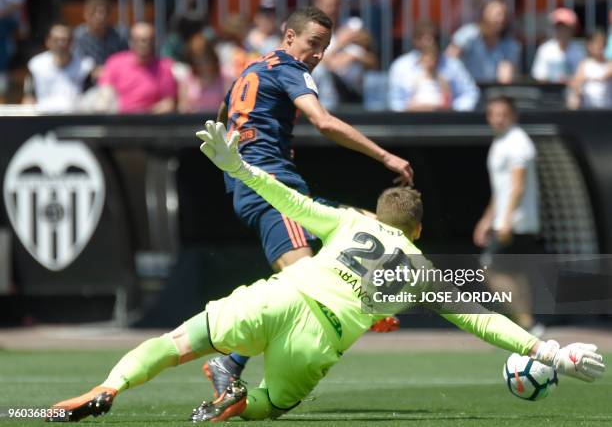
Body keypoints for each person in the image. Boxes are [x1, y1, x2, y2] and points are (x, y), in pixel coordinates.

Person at [48, 121, 606, 423]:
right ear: (415, 231)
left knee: (175, 343)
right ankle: (240, 402)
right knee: (276, 404)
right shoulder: (417, 265)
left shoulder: (345, 221)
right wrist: (549, 352)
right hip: (319, 340)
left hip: (283, 296)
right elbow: (479, 319)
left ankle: (108, 386)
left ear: (376, 213)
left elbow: (287, 198)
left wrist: (239, 166)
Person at [208, 6, 412, 399]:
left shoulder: (250, 71)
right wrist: (386, 157)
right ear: (289, 38)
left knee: (371, 225)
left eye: (325, 48)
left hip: (276, 188)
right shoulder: (289, 68)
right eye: (313, 44)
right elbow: (324, 122)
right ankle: (230, 359)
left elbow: (222, 113)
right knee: (302, 290)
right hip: (272, 187)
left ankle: (367, 302)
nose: (318, 55)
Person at [473, 95, 541, 332]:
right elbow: (501, 190)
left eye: (503, 114)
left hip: (517, 222)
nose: (498, 119)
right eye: (494, 114)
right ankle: (528, 325)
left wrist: (506, 221)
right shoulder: (500, 142)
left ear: (513, 116)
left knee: (488, 268)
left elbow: (518, 186)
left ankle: (525, 324)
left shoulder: (518, 142)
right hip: (508, 220)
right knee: (515, 273)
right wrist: (486, 219)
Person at [389, 20, 479, 112]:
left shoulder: (453, 65)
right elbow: (396, 101)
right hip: (410, 121)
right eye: (425, 38)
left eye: (433, 38)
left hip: (446, 121)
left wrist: (454, 110)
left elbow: (469, 93)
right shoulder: (400, 66)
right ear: (415, 40)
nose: (429, 42)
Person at [311, 0, 379, 107]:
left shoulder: (353, 26)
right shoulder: (311, 33)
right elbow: (314, 63)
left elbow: (374, 63)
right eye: (327, 5)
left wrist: (354, 56)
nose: (332, 10)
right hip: (326, 98)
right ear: (317, 6)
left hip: (355, 94)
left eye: (335, 5)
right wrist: (339, 44)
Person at [98, 22, 176, 113]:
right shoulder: (115, 63)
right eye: (139, 40)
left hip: (150, 122)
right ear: (131, 42)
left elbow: (169, 102)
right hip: (118, 121)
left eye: (149, 40)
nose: (144, 44)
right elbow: (104, 94)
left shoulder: (164, 66)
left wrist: (146, 116)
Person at [22, 23, 95, 113]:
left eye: (65, 40)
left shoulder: (85, 66)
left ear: (72, 42)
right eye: (56, 40)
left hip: (76, 119)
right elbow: (29, 97)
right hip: (43, 118)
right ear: (48, 41)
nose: (61, 44)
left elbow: (91, 97)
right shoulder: (36, 65)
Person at [446, 0, 520, 84]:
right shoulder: (468, 34)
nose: (501, 18)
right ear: (484, 14)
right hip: (465, 89)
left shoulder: (509, 44)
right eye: (498, 14)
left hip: (493, 91)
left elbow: (505, 78)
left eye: (504, 14)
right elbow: (448, 61)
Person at [73, 0, 127, 79]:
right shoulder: (78, 36)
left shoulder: (120, 34)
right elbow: (77, 62)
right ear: (86, 14)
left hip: (117, 77)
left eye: (103, 13)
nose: (100, 17)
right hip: (88, 80)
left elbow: (126, 58)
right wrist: (93, 70)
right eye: (94, 12)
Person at [531, 7, 584, 84]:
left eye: (565, 28)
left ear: (572, 29)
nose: (561, 31)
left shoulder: (578, 51)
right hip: (549, 93)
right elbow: (539, 76)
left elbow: (580, 78)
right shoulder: (545, 49)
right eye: (558, 27)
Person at [400, 44, 452, 111]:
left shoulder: (443, 80)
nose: (430, 63)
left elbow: (447, 103)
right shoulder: (415, 80)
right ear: (422, 60)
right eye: (427, 60)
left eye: (433, 60)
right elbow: (410, 104)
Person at [568, 30, 612, 109]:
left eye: (601, 44)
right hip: (588, 109)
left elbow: (608, 73)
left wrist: (598, 77)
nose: (599, 47)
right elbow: (576, 82)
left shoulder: (609, 64)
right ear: (589, 46)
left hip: (607, 109)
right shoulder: (584, 64)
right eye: (596, 44)